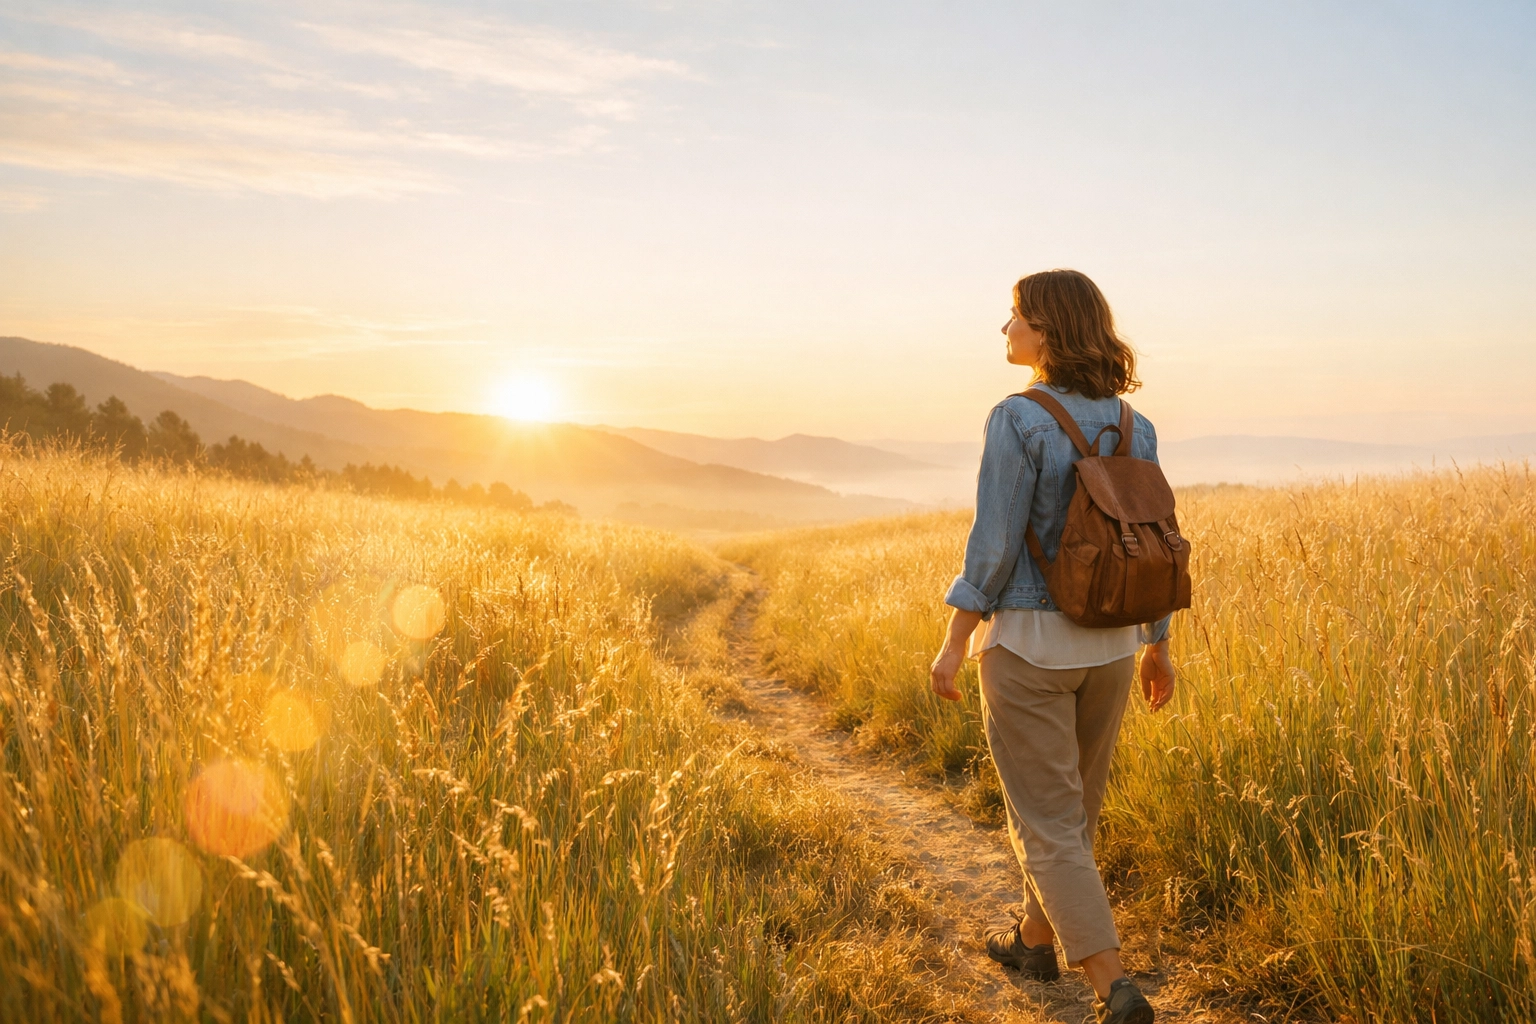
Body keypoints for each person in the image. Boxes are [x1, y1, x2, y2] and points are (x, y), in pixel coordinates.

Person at [928, 269, 1176, 1024]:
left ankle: (1113, 987)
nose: (1005, 332)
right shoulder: (1136, 425)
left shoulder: (1018, 418)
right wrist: (1157, 644)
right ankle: (1036, 941)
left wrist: (954, 639)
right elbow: (1154, 540)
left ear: (1049, 331)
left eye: (1015, 318)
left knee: (1047, 823)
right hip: (1111, 647)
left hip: (1030, 647)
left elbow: (995, 543)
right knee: (1074, 816)